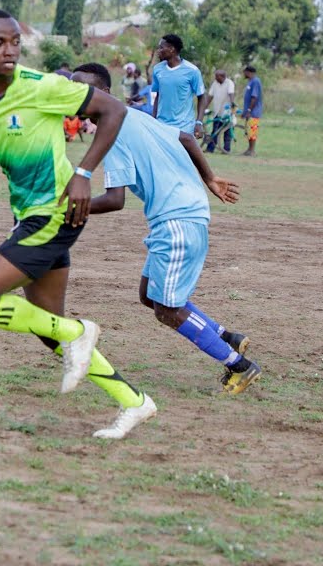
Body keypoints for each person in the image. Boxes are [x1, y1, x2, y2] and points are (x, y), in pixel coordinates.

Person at [0, 9, 154, 440]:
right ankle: (134, 402)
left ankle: (81, 330)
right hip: (29, 214)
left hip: (56, 213)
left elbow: (114, 111)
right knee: (45, 326)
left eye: (15, 41)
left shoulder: (43, 87)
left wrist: (84, 173)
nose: (10, 50)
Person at [71, 62, 261, 396]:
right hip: (180, 215)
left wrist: (68, 207)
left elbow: (116, 200)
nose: (76, 95)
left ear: (103, 93)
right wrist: (210, 178)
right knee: (149, 295)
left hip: (177, 219)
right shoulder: (135, 115)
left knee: (168, 308)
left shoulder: (111, 130)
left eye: (83, 88)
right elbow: (185, 138)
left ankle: (238, 365)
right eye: (72, 87)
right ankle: (227, 337)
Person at [150, 34, 206, 139]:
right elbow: (158, 95)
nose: (159, 50)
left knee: (185, 155)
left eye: (161, 47)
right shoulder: (157, 69)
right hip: (162, 125)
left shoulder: (192, 71)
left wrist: (199, 122)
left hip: (184, 127)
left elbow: (202, 97)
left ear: (171, 49)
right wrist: (153, 119)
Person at [205, 68, 236, 154]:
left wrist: (232, 103)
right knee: (215, 131)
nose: (215, 78)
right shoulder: (215, 84)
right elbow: (210, 96)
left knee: (227, 131)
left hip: (226, 111)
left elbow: (231, 93)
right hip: (217, 111)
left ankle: (226, 149)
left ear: (223, 77)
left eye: (217, 76)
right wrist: (205, 107)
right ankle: (210, 149)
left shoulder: (229, 83)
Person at [239, 66, 264, 157]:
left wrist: (249, 110)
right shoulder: (250, 82)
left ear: (248, 72)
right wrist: (245, 111)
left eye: (244, 72)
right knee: (249, 131)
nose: (244, 74)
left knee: (253, 130)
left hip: (254, 112)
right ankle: (249, 149)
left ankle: (252, 151)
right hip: (249, 111)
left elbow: (254, 97)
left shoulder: (256, 81)